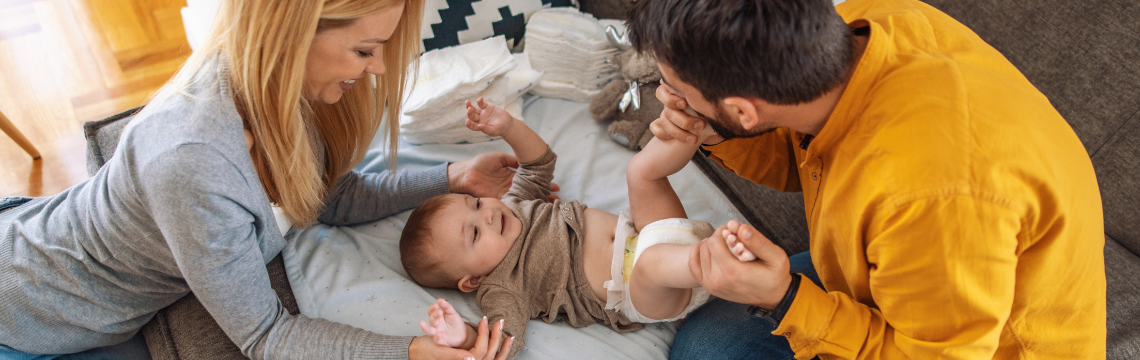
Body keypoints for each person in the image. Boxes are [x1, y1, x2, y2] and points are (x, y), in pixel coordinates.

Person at [0, 0, 517, 359]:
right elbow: (266, 337)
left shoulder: (286, 94)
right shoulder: (192, 164)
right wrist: (406, 351)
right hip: (33, 311)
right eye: (365, 50)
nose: (380, 66)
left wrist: (454, 175)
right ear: (292, 34)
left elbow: (331, 197)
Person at [626, 0, 1106, 359]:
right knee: (708, 341)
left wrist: (785, 298)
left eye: (679, 90)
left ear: (743, 109)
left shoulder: (931, 195)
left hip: (972, 342)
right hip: (905, 276)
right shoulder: (857, 27)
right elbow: (815, 160)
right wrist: (717, 133)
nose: (669, 97)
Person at [399, 98, 749, 358]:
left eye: (475, 204)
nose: (487, 215)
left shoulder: (514, 206)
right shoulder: (501, 288)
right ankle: (715, 260)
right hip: (639, 291)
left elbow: (538, 164)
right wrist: (463, 338)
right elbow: (500, 341)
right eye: (474, 234)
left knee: (641, 172)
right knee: (650, 266)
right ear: (472, 280)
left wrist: (508, 127)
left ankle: (695, 127)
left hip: (650, 233)